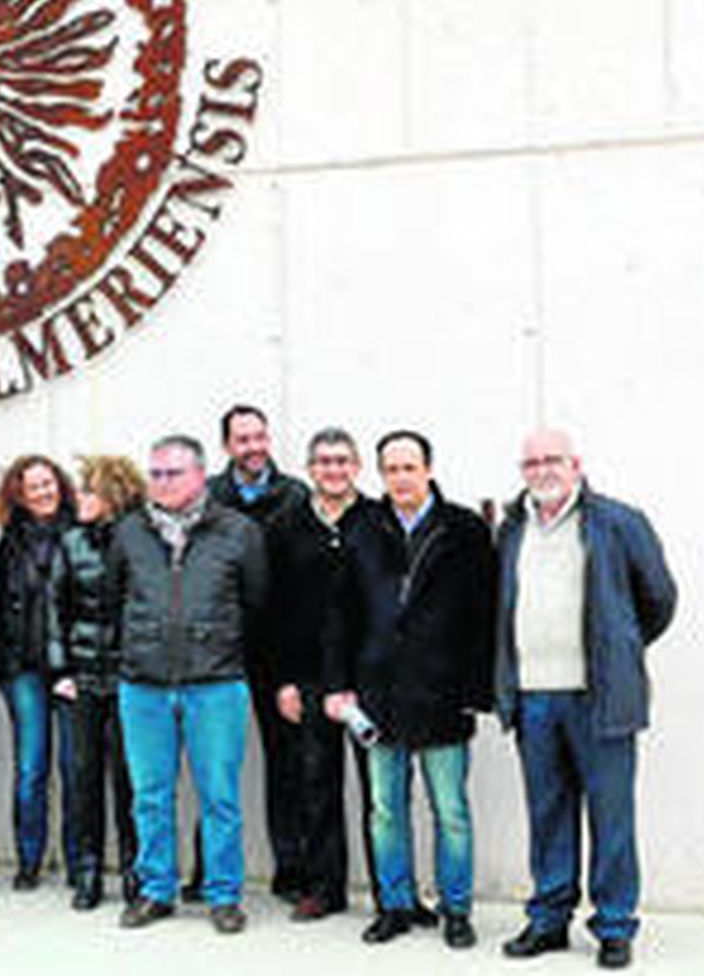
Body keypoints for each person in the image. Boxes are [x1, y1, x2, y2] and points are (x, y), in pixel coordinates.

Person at [496, 429, 678, 971]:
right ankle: (549, 919)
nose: (542, 469)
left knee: (611, 816)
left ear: (575, 464)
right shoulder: (511, 529)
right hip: (533, 699)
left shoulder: (618, 522)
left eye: (552, 459)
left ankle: (615, 926)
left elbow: (659, 599)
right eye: (531, 461)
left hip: (599, 700)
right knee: (547, 816)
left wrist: (617, 648)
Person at [323, 429, 497, 950]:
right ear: (381, 474)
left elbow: (483, 617)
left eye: (408, 468)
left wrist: (475, 690)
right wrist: (338, 686)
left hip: (443, 694)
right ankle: (394, 905)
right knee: (385, 810)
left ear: (428, 469)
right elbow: (338, 616)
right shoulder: (361, 527)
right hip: (377, 696)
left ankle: (457, 909)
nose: (400, 478)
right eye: (390, 469)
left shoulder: (463, 529)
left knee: (451, 812)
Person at [113, 435, 267, 936]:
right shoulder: (129, 531)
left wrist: (226, 653)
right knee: (150, 795)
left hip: (214, 684)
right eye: (154, 474)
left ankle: (223, 895)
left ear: (200, 476)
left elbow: (258, 602)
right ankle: (156, 889)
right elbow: (112, 598)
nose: (161, 482)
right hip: (144, 685)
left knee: (219, 795)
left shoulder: (238, 531)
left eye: (172, 473)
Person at [194, 403, 310, 902]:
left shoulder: (295, 496)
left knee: (286, 765)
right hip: (219, 652)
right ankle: (206, 872)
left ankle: (292, 870)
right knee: (214, 764)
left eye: (259, 436)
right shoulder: (207, 498)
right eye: (243, 439)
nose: (254, 446)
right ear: (226, 447)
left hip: (277, 651)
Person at [265, 427, 378, 922]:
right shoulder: (285, 525)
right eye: (324, 462)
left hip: (370, 679)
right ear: (310, 469)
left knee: (381, 792)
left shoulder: (376, 520)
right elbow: (271, 608)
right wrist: (283, 681)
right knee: (315, 785)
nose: (333, 470)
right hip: (307, 677)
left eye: (342, 461)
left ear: (356, 467)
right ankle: (324, 887)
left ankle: (390, 893)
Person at [0, 454, 80, 892]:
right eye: (32, 487)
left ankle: (80, 859)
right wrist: (3, 668)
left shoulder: (80, 532)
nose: (43, 492)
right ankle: (29, 859)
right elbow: (3, 608)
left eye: (48, 483)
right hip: (23, 669)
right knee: (31, 768)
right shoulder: (9, 542)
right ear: (19, 495)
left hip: (70, 668)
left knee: (73, 766)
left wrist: (78, 666)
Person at [56, 454, 144, 911]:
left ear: (110, 496)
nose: (79, 498)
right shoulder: (71, 542)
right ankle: (88, 870)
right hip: (84, 677)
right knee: (84, 774)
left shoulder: (140, 540)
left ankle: (135, 868)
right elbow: (56, 610)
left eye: (88, 491)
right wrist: (62, 672)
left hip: (130, 677)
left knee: (130, 778)